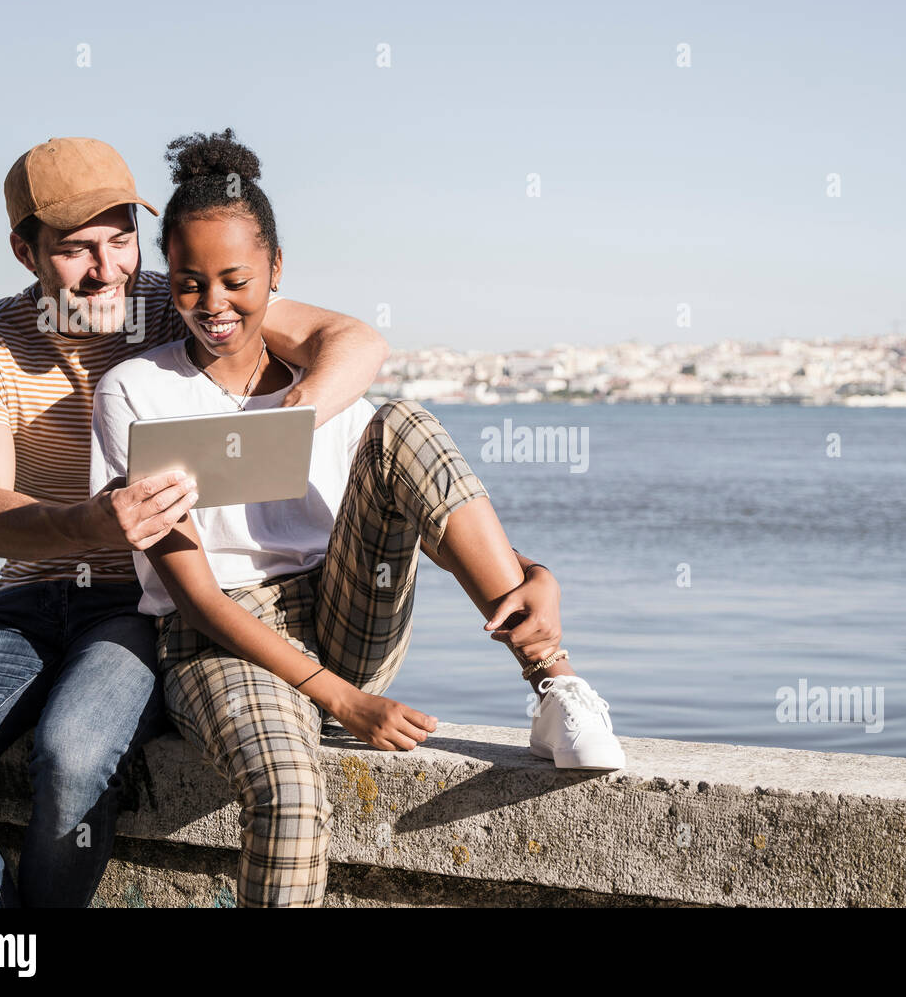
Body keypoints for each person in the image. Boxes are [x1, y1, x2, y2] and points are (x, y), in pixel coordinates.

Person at [90, 129, 625, 907]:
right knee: (292, 798)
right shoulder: (136, 392)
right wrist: (343, 701)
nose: (213, 305)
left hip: (344, 613)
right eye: (188, 283)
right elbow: (197, 594)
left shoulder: (324, 389)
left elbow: (423, 498)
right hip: (219, 637)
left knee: (405, 421)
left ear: (277, 273)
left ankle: (553, 678)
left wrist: (532, 575)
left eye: (235, 280)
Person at [0, 137, 389, 908]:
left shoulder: (180, 300)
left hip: (144, 605)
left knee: (76, 754)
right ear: (25, 251)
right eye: (76, 251)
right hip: (23, 600)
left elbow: (354, 341)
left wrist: (289, 426)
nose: (107, 270)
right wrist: (91, 520)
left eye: (121, 240)